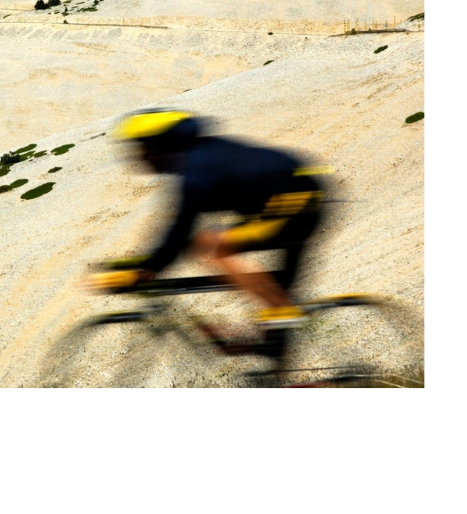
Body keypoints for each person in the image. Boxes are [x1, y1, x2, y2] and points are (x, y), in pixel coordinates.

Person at [91, 108, 329, 359]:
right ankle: (278, 351)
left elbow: (181, 227)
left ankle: (283, 311)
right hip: (299, 200)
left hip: (293, 207)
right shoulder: (207, 152)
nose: (137, 157)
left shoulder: (196, 169)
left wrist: (146, 270)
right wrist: (151, 263)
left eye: (141, 148)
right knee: (274, 326)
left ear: (160, 146)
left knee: (212, 246)